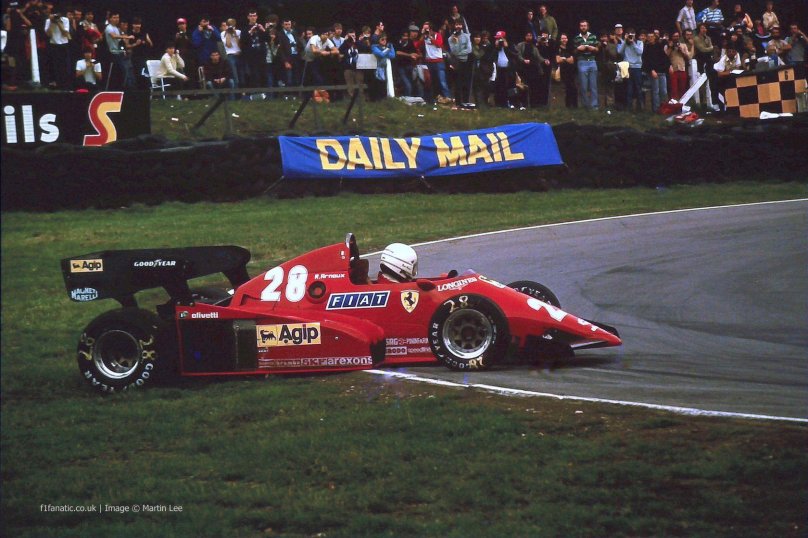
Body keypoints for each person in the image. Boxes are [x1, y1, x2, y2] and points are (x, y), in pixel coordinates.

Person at [419, 21, 451, 104]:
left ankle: (447, 97)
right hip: (429, 61)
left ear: (431, 29)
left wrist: (430, 37)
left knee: (442, 80)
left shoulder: (438, 35)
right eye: (424, 28)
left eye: (427, 28)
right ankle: (432, 98)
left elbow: (439, 44)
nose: (426, 30)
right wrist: (423, 36)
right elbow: (418, 45)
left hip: (438, 61)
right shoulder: (424, 37)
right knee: (430, 81)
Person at [104, 11, 135, 89]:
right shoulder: (109, 27)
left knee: (126, 71)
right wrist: (127, 37)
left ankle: (126, 87)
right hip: (113, 53)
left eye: (117, 17)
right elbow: (114, 36)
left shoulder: (116, 28)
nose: (116, 19)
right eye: (114, 17)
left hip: (119, 52)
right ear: (110, 19)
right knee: (121, 71)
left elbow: (119, 41)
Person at [573, 19, 598, 109]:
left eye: (585, 26)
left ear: (587, 27)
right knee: (583, 86)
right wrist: (579, 49)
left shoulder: (593, 36)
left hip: (592, 61)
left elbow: (597, 49)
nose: (583, 27)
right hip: (582, 62)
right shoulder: (577, 38)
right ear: (580, 27)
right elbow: (574, 52)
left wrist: (593, 49)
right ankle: (586, 106)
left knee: (593, 86)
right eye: (581, 26)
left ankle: (594, 106)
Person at [642, 32, 670, 112]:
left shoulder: (659, 46)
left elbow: (664, 57)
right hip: (653, 72)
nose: (650, 38)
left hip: (662, 71)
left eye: (652, 36)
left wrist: (669, 66)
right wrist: (651, 70)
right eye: (649, 36)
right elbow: (646, 61)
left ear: (655, 37)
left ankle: (663, 107)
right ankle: (656, 109)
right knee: (655, 91)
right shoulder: (646, 48)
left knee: (664, 91)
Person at [618, 27, 644, 111]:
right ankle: (629, 107)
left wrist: (633, 43)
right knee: (629, 88)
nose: (630, 36)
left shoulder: (639, 42)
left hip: (637, 67)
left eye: (631, 35)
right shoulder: (624, 43)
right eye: (628, 35)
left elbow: (640, 52)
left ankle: (640, 107)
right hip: (627, 67)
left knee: (638, 88)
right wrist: (625, 41)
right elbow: (619, 52)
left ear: (635, 35)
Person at [241, 10, 267, 89]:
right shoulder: (245, 29)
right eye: (251, 16)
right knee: (254, 74)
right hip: (251, 56)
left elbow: (268, 39)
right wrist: (250, 32)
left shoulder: (260, 27)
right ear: (248, 17)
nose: (253, 18)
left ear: (257, 17)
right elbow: (242, 41)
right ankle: (255, 91)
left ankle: (264, 92)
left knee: (263, 73)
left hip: (261, 54)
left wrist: (263, 30)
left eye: (254, 16)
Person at [448, 18, 472, 105]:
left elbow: (469, 49)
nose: (458, 26)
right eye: (456, 24)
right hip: (456, 63)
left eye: (459, 24)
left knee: (465, 82)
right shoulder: (450, 38)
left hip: (465, 61)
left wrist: (459, 54)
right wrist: (456, 42)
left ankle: (466, 101)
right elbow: (453, 51)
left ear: (462, 26)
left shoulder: (466, 36)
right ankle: (458, 102)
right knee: (457, 83)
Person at [492, 30, 517, 108]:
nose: (499, 41)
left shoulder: (510, 45)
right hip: (498, 70)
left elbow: (515, 55)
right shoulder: (495, 47)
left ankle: (511, 102)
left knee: (509, 86)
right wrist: (496, 47)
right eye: (497, 39)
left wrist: (506, 47)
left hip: (508, 70)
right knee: (499, 86)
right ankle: (499, 103)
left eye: (500, 39)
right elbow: (491, 56)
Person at [370, 32, 394, 100]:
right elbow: (380, 55)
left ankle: (385, 99)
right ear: (378, 40)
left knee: (385, 84)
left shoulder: (386, 47)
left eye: (385, 39)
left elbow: (392, 55)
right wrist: (387, 49)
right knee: (378, 84)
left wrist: (388, 49)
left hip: (385, 68)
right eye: (382, 39)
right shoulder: (374, 47)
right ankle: (376, 100)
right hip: (377, 68)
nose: (384, 41)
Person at [668, 31, 692, 101]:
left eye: (677, 36)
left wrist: (681, 50)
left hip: (682, 68)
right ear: (672, 37)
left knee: (682, 88)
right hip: (673, 69)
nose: (676, 38)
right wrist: (670, 47)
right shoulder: (668, 45)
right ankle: (674, 104)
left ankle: (682, 104)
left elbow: (688, 57)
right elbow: (666, 56)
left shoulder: (683, 45)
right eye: (674, 36)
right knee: (674, 89)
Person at [556, 33, 577, 108]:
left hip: (571, 70)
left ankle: (575, 105)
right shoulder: (558, 48)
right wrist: (566, 59)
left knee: (573, 87)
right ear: (560, 40)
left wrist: (563, 58)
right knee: (567, 88)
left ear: (567, 39)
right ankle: (568, 105)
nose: (564, 40)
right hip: (563, 70)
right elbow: (558, 60)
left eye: (565, 38)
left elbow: (572, 60)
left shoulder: (570, 48)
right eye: (562, 38)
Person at [221, 18, 242, 88]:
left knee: (241, 73)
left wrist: (235, 34)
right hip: (230, 55)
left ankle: (243, 92)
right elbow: (228, 45)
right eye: (229, 24)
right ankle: (236, 92)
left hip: (239, 55)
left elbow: (240, 45)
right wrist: (228, 34)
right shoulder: (223, 33)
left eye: (232, 24)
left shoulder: (238, 32)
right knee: (234, 74)